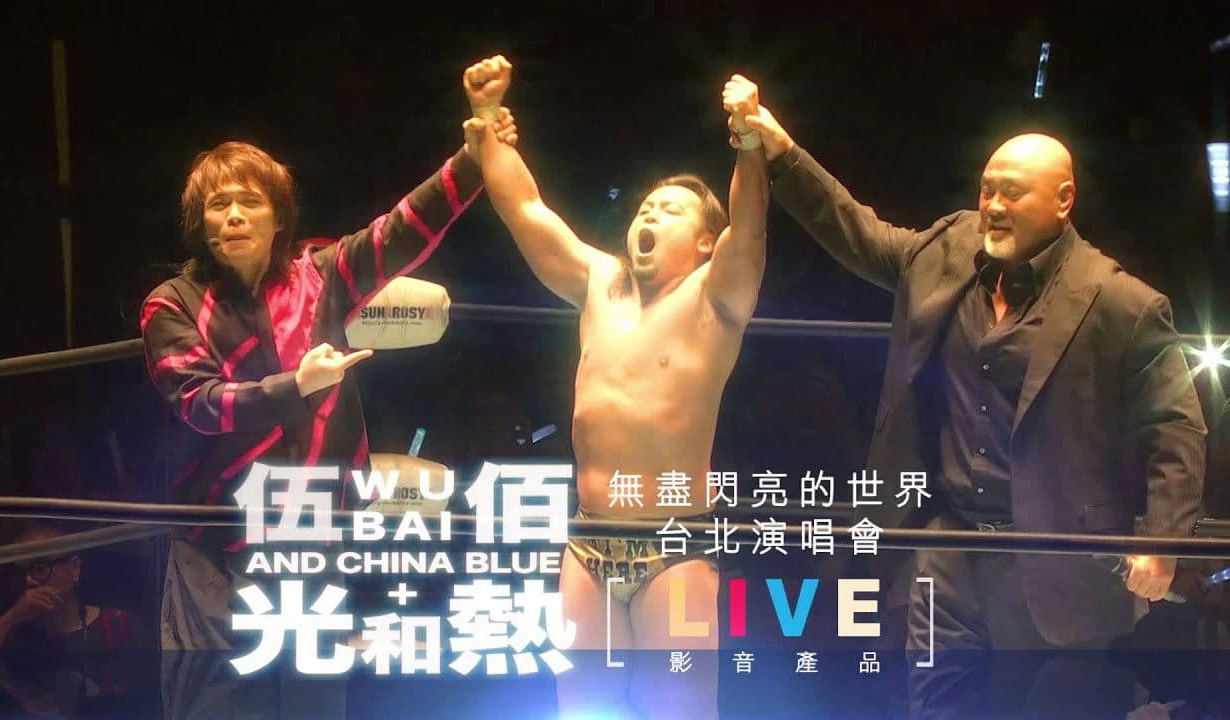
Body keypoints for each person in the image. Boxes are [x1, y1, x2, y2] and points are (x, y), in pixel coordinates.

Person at [735, 86, 1207, 656]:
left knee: (1043, 695)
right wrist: (784, 153)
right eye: (987, 189)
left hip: (1056, 562)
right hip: (949, 545)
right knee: (933, 692)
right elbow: (859, 232)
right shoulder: (950, 250)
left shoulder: (1120, 303)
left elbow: (1175, 425)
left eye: (1013, 192)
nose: (994, 206)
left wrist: (1162, 540)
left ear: (1063, 200)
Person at [140, 108, 517, 650]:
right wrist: (298, 384)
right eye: (218, 205)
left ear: (278, 217)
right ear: (201, 223)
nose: (234, 216)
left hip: (315, 536)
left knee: (311, 686)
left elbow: (401, 230)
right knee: (215, 689)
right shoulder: (171, 303)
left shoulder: (320, 277)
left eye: (250, 201)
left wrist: (474, 159)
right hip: (217, 543)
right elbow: (201, 404)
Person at [462, 55, 769, 717]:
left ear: (706, 241)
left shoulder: (716, 297)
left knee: (679, 710)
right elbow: (526, 211)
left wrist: (747, 140)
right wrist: (487, 118)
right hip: (587, 540)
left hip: (675, 543)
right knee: (581, 708)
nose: (649, 214)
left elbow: (749, 230)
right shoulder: (601, 283)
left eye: (670, 210)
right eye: (645, 207)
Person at [0, 521, 151, 717]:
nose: (29, 580)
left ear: (74, 568)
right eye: (22, 571)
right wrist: (12, 617)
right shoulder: (19, 632)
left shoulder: (118, 625)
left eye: (40, 568)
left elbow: (150, 688)